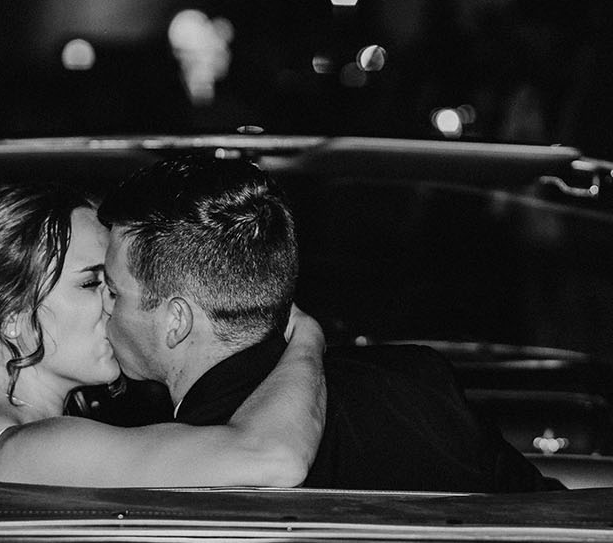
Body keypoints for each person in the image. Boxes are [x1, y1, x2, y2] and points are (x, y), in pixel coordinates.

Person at [95, 155, 561, 493]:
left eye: (113, 293)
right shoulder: (417, 381)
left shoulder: (184, 464)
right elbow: (549, 521)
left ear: (176, 320)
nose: (102, 308)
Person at [0, 183, 326, 487]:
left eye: (112, 284)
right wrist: (305, 337)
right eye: (91, 283)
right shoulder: (36, 449)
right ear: (11, 318)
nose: (114, 304)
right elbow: (273, 459)